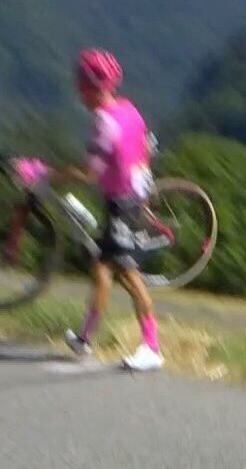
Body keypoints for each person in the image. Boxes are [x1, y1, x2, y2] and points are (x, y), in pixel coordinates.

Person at [13, 48, 163, 371]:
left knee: (127, 273)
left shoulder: (104, 124)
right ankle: (85, 339)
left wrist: (43, 172)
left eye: (80, 83)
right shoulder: (128, 108)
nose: (77, 89)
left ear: (91, 86)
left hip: (122, 202)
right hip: (135, 191)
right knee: (101, 267)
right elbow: (147, 144)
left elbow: (88, 174)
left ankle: (152, 346)